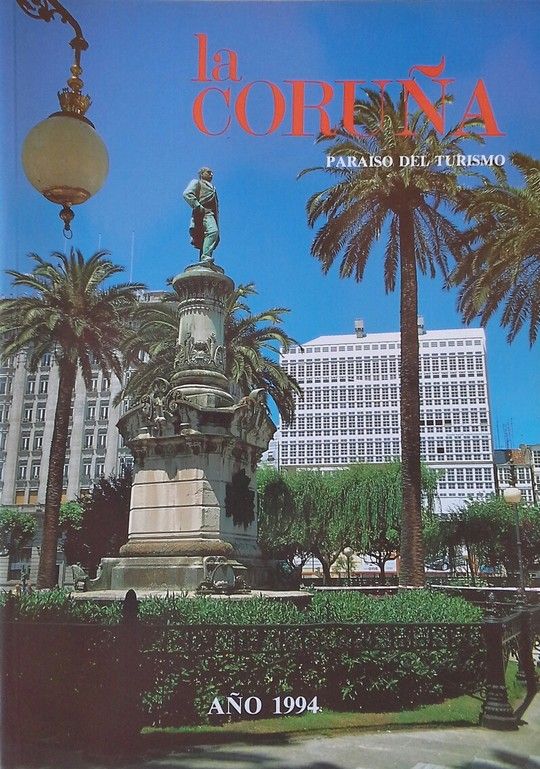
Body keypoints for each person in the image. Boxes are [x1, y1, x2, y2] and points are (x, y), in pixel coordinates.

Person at [183, 167, 219, 261]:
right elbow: (187, 194)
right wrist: (198, 206)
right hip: (203, 214)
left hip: (211, 214)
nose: (211, 174)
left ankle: (204, 259)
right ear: (202, 174)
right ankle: (205, 256)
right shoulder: (196, 182)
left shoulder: (213, 187)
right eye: (209, 172)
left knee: (205, 238)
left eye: (212, 173)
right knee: (213, 232)